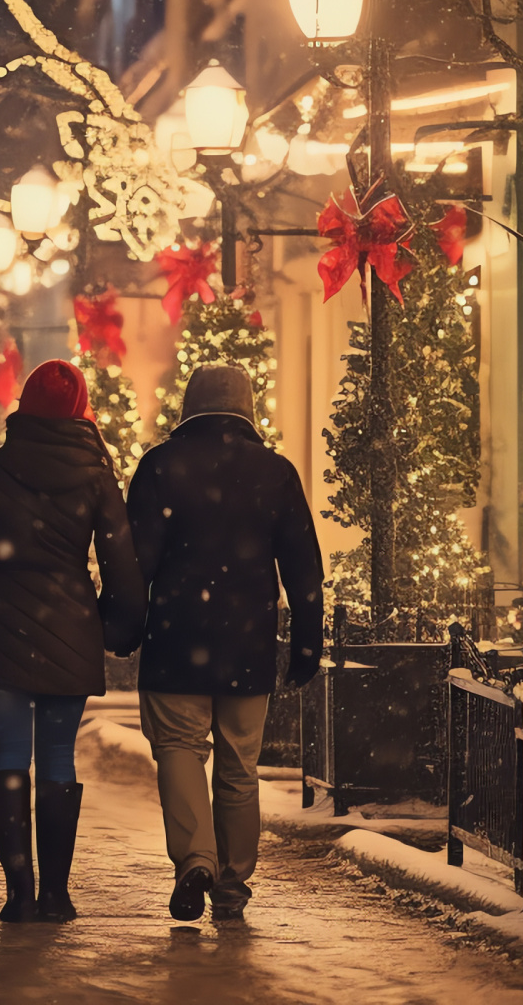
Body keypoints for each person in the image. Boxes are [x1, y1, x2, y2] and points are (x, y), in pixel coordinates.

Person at [0, 360, 146, 923]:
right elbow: (123, 565)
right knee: (57, 755)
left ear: (23, 407)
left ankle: (17, 892)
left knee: (7, 755)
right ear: (80, 410)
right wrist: (117, 627)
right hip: (70, 630)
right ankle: (56, 892)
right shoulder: (97, 476)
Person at [125, 362, 324, 922]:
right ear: (249, 408)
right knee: (240, 765)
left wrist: (122, 627)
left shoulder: (160, 467)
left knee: (179, 750)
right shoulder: (275, 472)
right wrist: (308, 639)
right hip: (248, 643)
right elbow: (304, 567)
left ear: (188, 406)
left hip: (174, 641)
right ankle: (234, 882)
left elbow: (134, 562)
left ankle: (196, 859)